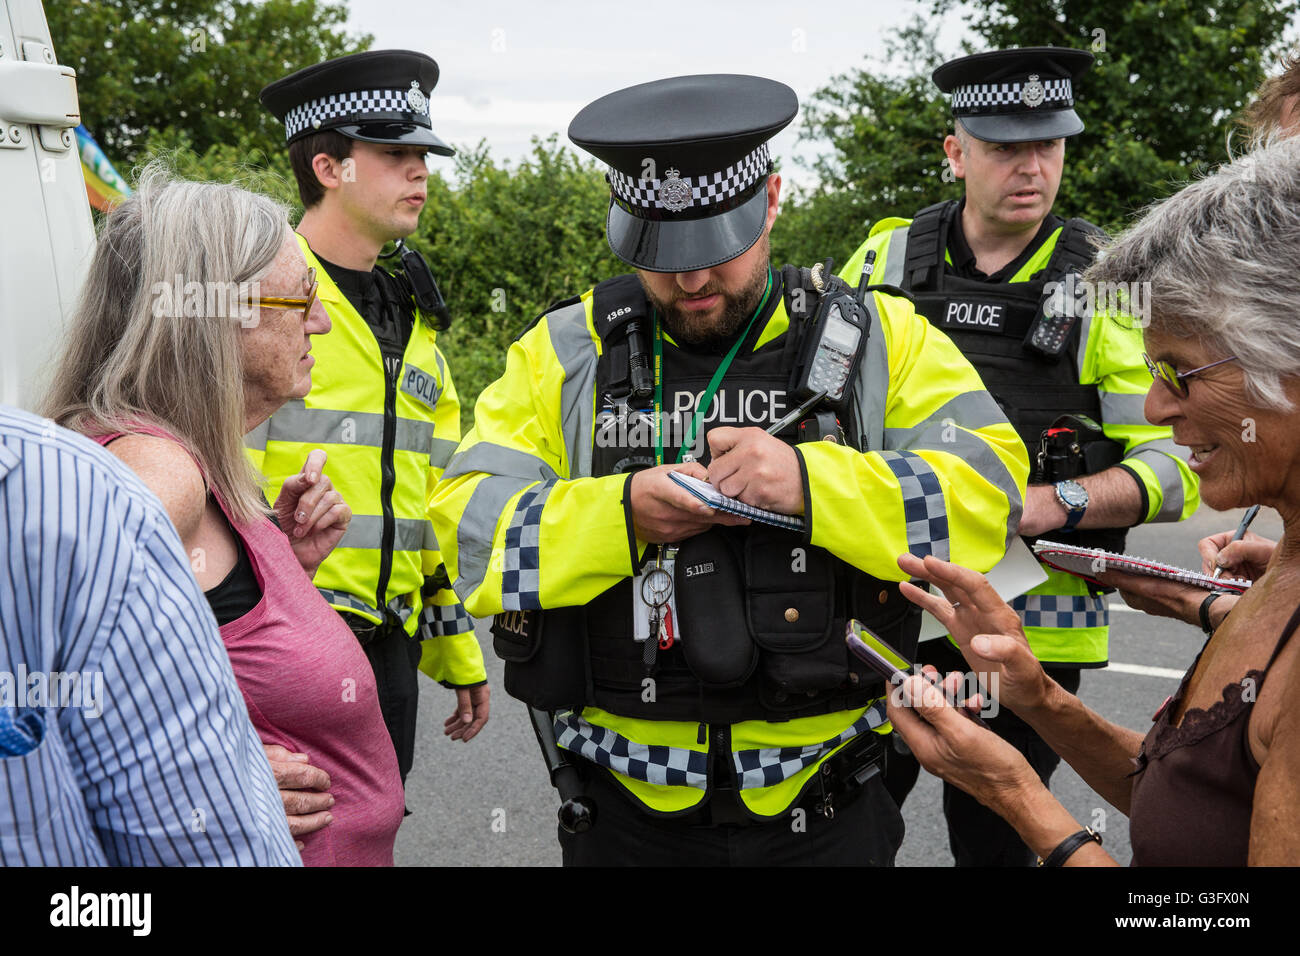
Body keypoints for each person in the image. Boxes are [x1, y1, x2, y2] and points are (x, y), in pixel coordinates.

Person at [430, 74, 1028, 865]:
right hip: (620, 812)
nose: (691, 282)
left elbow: (991, 493)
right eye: (661, 255)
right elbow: (470, 531)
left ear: (772, 199)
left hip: (829, 801)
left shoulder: (882, 337)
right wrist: (621, 515)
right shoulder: (566, 351)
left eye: (716, 250)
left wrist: (813, 486)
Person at [884, 134, 1300, 866]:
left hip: (1044, 609)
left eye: (1181, 372)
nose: (1155, 406)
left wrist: (1020, 797)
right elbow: (1186, 794)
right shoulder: (1276, 581)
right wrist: (1039, 699)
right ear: (956, 152)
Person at [838, 46, 1199, 865]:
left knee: (1001, 841)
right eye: (1005, 147)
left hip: (1036, 633)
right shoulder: (883, 259)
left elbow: (1174, 470)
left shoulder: (1112, 280)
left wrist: (1048, 505)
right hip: (889, 600)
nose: (1032, 166)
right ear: (956, 151)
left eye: (1050, 144)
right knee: (850, 828)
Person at [42, 167, 405, 866]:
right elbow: (27, 684)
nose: (323, 321)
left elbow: (191, 643)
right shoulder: (159, 470)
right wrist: (190, 780)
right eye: (301, 299)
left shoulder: (191, 465)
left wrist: (278, 570)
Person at [256, 50, 488, 785]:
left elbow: (427, 508)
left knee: (371, 835)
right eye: (395, 153)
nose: (420, 170)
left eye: (423, 153)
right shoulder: (257, 297)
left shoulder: (412, 321)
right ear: (329, 167)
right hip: (283, 635)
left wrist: (455, 650)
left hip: (389, 646)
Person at [0, 405, 299, 866]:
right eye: (301, 323)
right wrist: (229, 782)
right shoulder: (136, 479)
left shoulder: (68, 490)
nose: (317, 327)